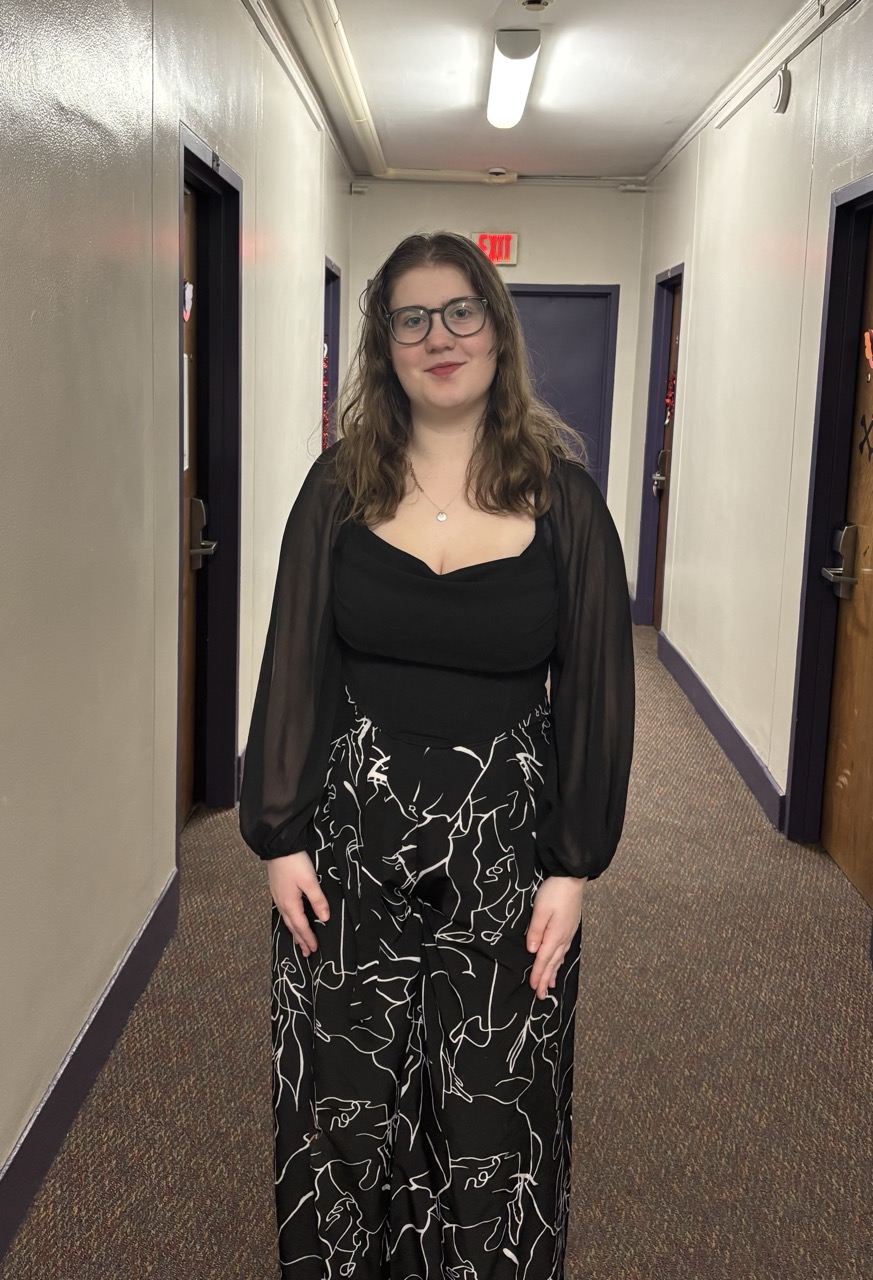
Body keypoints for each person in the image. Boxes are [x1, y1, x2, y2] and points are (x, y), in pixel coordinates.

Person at [239, 230, 635, 1280]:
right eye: (411, 317)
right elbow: (294, 665)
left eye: (461, 310)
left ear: (498, 332)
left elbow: (598, 688)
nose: (439, 336)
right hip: (349, 844)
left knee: (496, 1103)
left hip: (508, 853)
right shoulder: (335, 490)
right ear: (385, 344)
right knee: (344, 1095)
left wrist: (571, 864)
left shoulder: (568, 505)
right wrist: (278, 836)